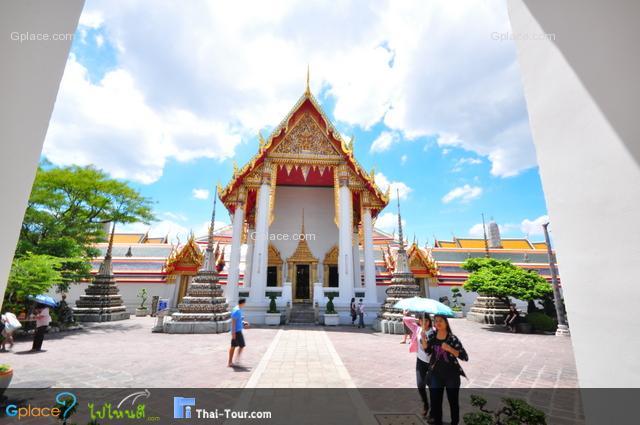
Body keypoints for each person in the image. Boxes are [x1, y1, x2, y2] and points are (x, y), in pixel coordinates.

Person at [426, 315, 468, 425]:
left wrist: (450, 348)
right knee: (436, 401)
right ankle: (437, 422)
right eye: (436, 321)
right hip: (436, 375)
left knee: (453, 401)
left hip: (452, 376)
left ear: (446, 322)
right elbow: (428, 351)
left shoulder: (452, 338)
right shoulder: (432, 337)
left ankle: (454, 422)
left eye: (440, 320)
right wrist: (424, 341)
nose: (438, 323)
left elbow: (464, 357)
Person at [403, 312, 434, 419]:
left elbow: (430, 349)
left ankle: (433, 411)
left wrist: (426, 337)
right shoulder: (417, 329)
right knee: (420, 385)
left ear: (430, 321)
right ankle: (426, 404)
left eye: (426, 320)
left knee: (432, 388)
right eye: (422, 321)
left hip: (431, 364)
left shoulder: (433, 332)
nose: (424, 323)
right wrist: (417, 320)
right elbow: (405, 319)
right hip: (420, 361)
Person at [228, 298, 249, 367]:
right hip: (237, 331)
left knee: (233, 346)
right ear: (242, 303)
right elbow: (233, 322)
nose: (244, 305)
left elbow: (238, 320)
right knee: (241, 345)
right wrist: (233, 333)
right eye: (244, 303)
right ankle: (236, 360)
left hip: (237, 331)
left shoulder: (237, 309)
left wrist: (243, 322)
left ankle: (230, 362)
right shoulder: (237, 310)